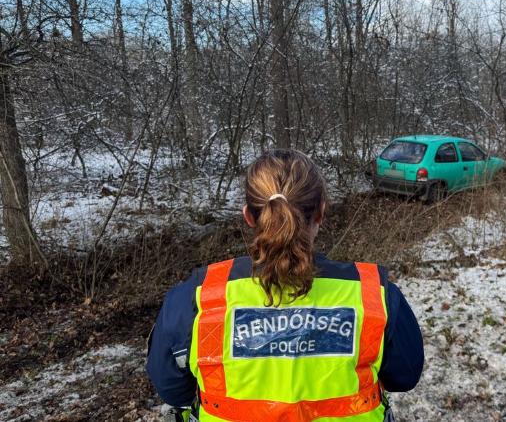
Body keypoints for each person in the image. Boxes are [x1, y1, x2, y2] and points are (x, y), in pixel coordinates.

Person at [146, 150, 424, 422]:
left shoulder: (199, 298)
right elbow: (404, 377)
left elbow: (173, 390)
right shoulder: (374, 294)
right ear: (321, 213)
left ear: (249, 216)